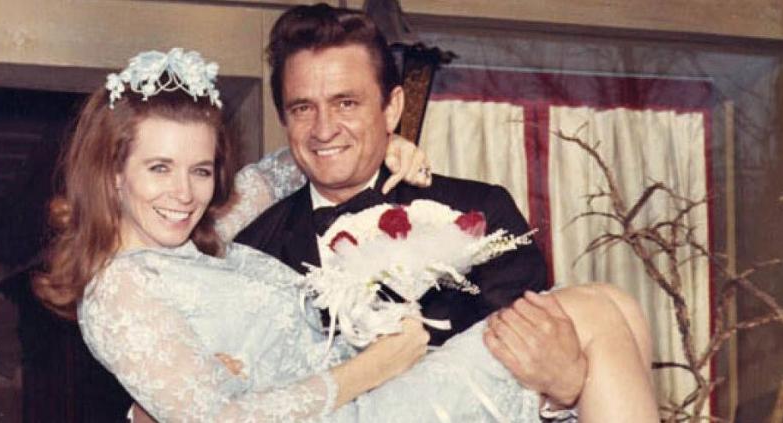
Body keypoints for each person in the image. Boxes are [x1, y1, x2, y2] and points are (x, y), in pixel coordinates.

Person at [33, 47, 659, 422]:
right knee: (595, 313)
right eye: (158, 168)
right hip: (359, 406)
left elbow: (285, 166)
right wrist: (373, 367)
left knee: (618, 306)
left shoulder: (200, 236)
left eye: (199, 170)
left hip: (375, 395)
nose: (183, 193)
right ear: (111, 173)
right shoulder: (118, 292)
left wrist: (388, 142)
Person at [233, 3, 586, 411]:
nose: (324, 129)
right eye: (302, 108)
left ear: (392, 108)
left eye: (346, 103)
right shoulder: (251, 253)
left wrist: (565, 393)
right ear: (284, 119)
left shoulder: (481, 212)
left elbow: (537, 374)